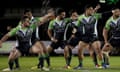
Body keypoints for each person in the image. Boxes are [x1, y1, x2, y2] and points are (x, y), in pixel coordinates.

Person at [73, 4, 105, 69]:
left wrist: (96, 9)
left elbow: (104, 14)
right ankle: (80, 65)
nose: (92, 11)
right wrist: (74, 31)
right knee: (79, 50)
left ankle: (103, 64)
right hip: (84, 37)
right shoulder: (80, 18)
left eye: (92, 10)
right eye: (90, 10)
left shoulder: (95, 16)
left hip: (93, 36)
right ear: (86, 10)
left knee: (98, 49)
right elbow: (76, 26)